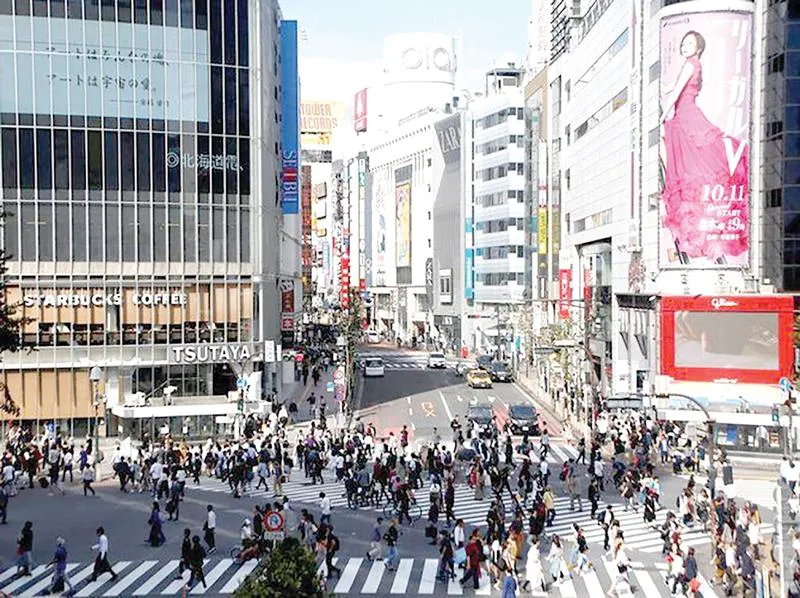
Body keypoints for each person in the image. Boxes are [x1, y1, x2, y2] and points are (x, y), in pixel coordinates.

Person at [660, 29, 749, 265]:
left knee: (690, 166)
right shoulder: (694, 66)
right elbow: (677, 87)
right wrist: (669, 90)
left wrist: (664, 112)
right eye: (683, 43)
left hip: (686, 118)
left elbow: (678, 91)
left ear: (699, 47)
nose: (685, 46)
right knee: (694, 167)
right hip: (686, 116)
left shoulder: (690, 64)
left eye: (690, 43)